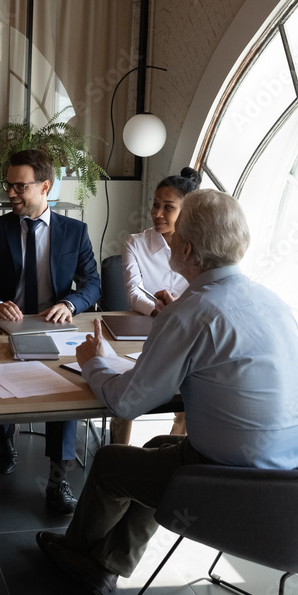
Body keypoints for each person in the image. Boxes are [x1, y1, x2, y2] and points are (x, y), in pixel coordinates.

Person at [35, 189, 298, 595]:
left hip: (231, 483)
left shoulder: (191, 311)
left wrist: (93, 361)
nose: (166, 235)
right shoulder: (272, 301)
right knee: (163, 446)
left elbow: (128, 402)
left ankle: (76, 554)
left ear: (185, 248)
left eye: (175, 230)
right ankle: (108, 562)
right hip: (297, 481)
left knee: (112, 461)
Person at [0, 148, 101, 514]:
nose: (10, 193)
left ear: (45, 186)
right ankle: (5, 438)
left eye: (19, 186)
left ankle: (58, 483)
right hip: (7, 327)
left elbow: (92, 284)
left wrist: (71, 304)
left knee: (67, 391)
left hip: (56, 328)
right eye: (8, 185)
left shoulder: (75, 231)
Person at [112, 167, 201, 445]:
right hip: (144, 328)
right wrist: (161, 311)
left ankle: (174, 449)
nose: (157, 213)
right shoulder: (136, 243)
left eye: (168, 207)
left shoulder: (198, 246)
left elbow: (202, 294)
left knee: (191, 392)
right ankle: (119, 452)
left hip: (184, 331)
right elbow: (134, 293)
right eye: (155, 204)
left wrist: (174, 313)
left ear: (186, 211)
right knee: (129, 388)